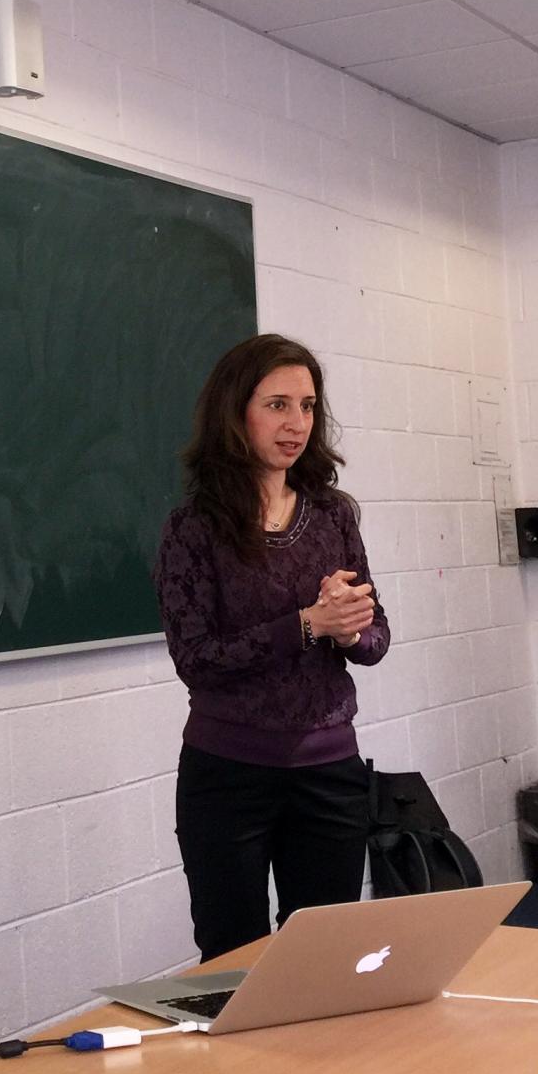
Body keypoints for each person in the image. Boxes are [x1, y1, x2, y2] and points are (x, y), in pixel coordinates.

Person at [153, 333, 390, 961]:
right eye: (278, 405)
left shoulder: (334, 515)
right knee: (234, 962)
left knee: (324, 961)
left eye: (308, 406)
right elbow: (197, 661)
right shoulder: (192, 528)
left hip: (329, 773)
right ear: (236, 413)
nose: (297, 424)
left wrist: (351, 629)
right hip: (228, 776)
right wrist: (308, 625)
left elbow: (376, 639)